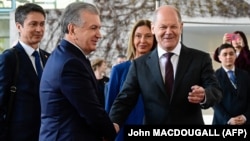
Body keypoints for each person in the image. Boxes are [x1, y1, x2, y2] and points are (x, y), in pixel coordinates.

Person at [109, 5, 222, 126]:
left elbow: (215, 90)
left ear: (181, 27)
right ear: (153, 28)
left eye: (173, 26)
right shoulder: (139, 65)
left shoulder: (200, 59)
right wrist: (112, 124)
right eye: (163, 27)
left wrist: (205, 94)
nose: (168, 32)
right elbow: (125, 100)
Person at [39, 2, 118, 141]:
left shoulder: (65, 56)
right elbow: (91, 112)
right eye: (93, 28)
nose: (99, 35)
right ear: (72, 29)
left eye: (99, 28)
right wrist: (111, 130)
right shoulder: (71, 63)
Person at [0, 3, 50, 141]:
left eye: (42, 24)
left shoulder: (48, 58)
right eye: (33, 24)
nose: (39, 29)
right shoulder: (9, 58)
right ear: (19, 26)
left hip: (47, 134)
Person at [105, 19, 156, 141]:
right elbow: (110, 107)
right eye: (138, 36)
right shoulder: (119, 70)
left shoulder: (161, 71)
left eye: (148, 36)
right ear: (133, 39)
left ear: (154, 40)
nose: (142, 40)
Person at [212, 43, 250, 125]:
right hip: (223, 122)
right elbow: (214, 103)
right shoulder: (213, 77)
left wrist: (245, 116)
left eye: (231, 53)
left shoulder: (245, 75)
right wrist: (228, 119)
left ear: (235, 56)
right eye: (225, 54)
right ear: (219, 57)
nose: (228, 57)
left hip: (245, 121)